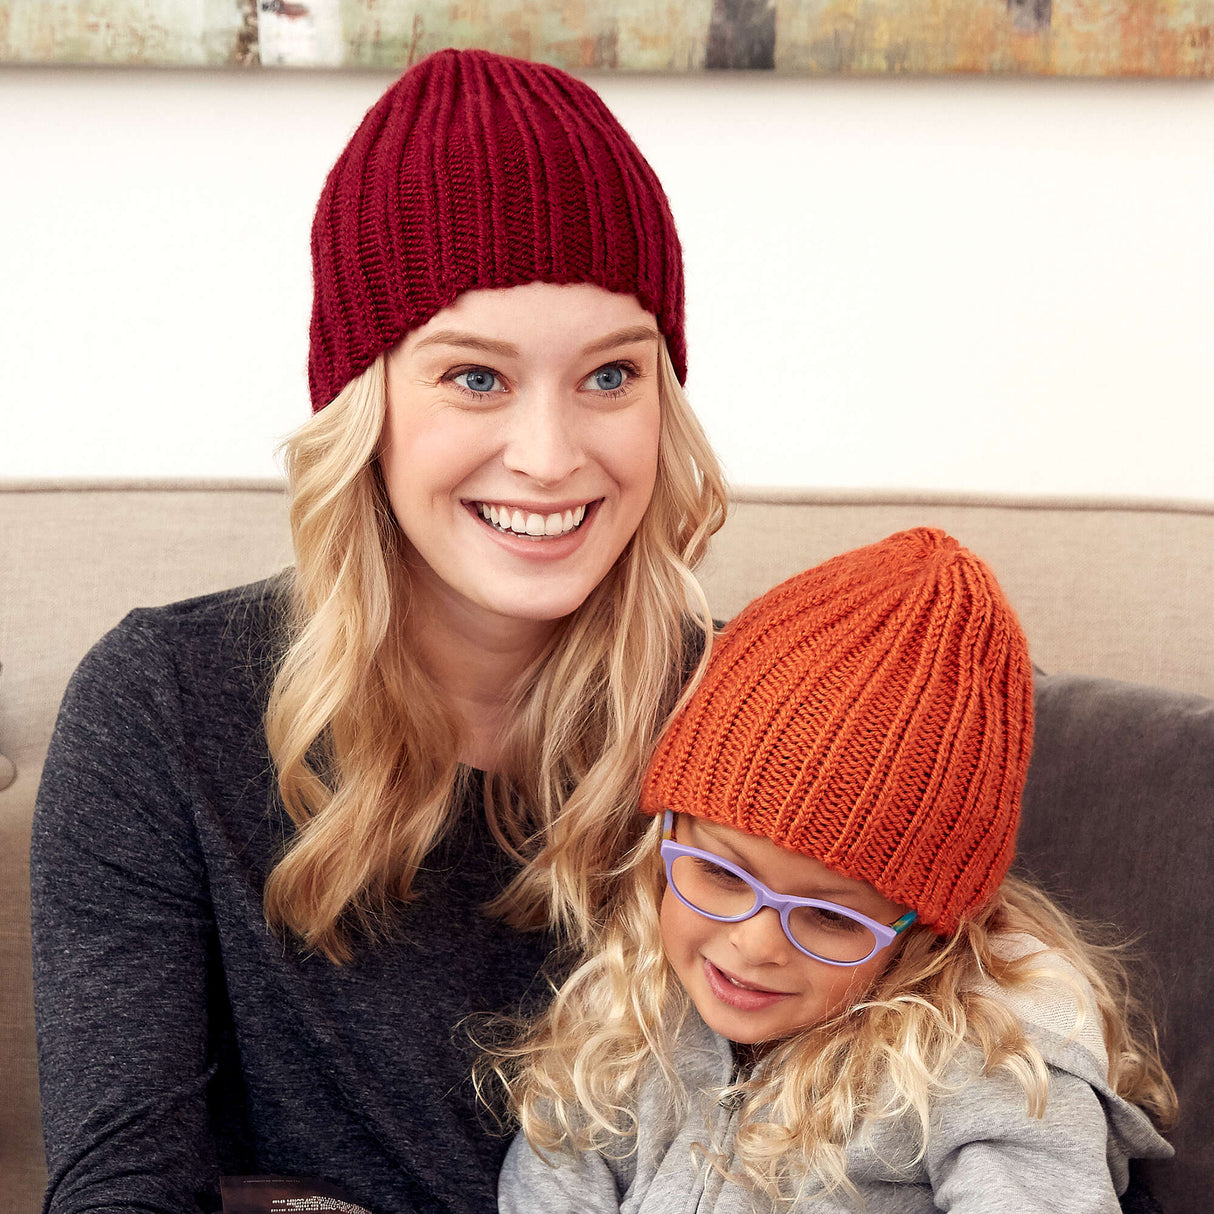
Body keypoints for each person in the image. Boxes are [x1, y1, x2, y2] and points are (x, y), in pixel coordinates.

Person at [30, 49, 726, 1214]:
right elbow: (121, 1186)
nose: (552, 456)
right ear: (366, 402)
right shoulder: (163, 708)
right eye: (475, 378)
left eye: (611, 374)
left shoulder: (750, 711)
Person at [495, 528, 1177, 1213]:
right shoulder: (630, 1009)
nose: (755, 944)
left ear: (920, 934)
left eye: (828, 916)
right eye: (722, 875)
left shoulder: (991, 1056)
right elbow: (553, 1178)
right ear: (664, 840)